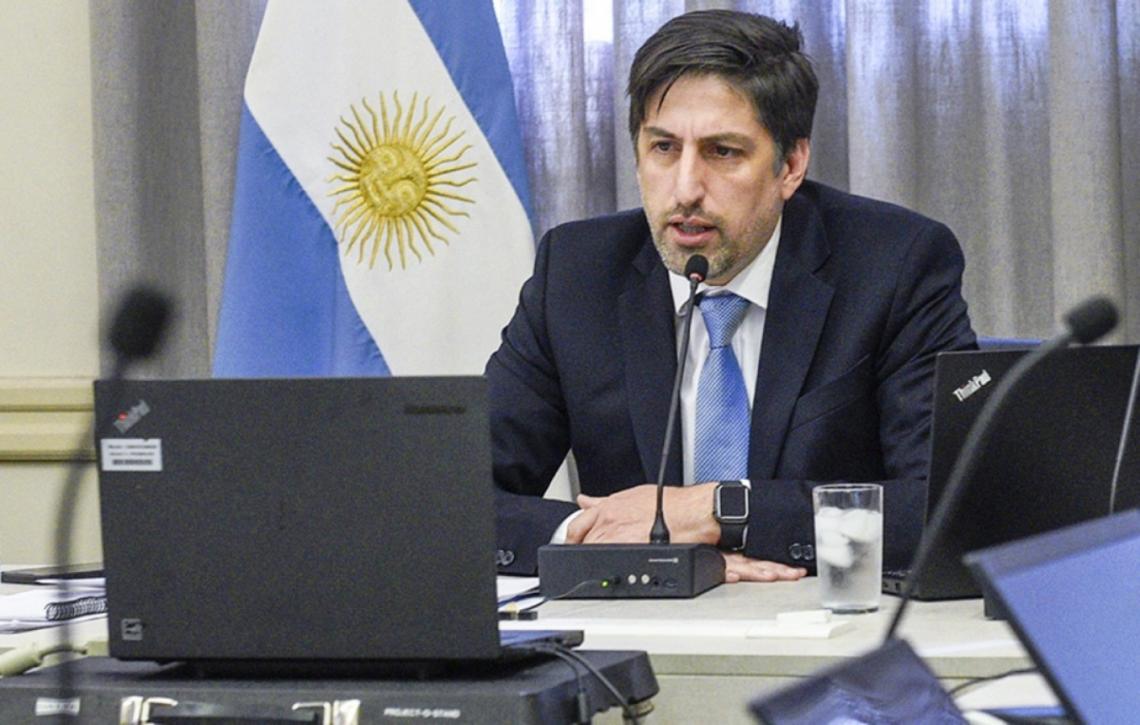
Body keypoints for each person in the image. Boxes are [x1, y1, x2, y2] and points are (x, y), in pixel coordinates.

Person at [486, 9, 975, 582]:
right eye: (663, 148)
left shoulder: (894, 265)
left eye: (723, 152)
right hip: (637, 618)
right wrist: (594, 536)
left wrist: (721, 512)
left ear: (790, 165)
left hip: (819, 614)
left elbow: (949, 505)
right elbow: (451, 496)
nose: (686, 189)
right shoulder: (577, 275)